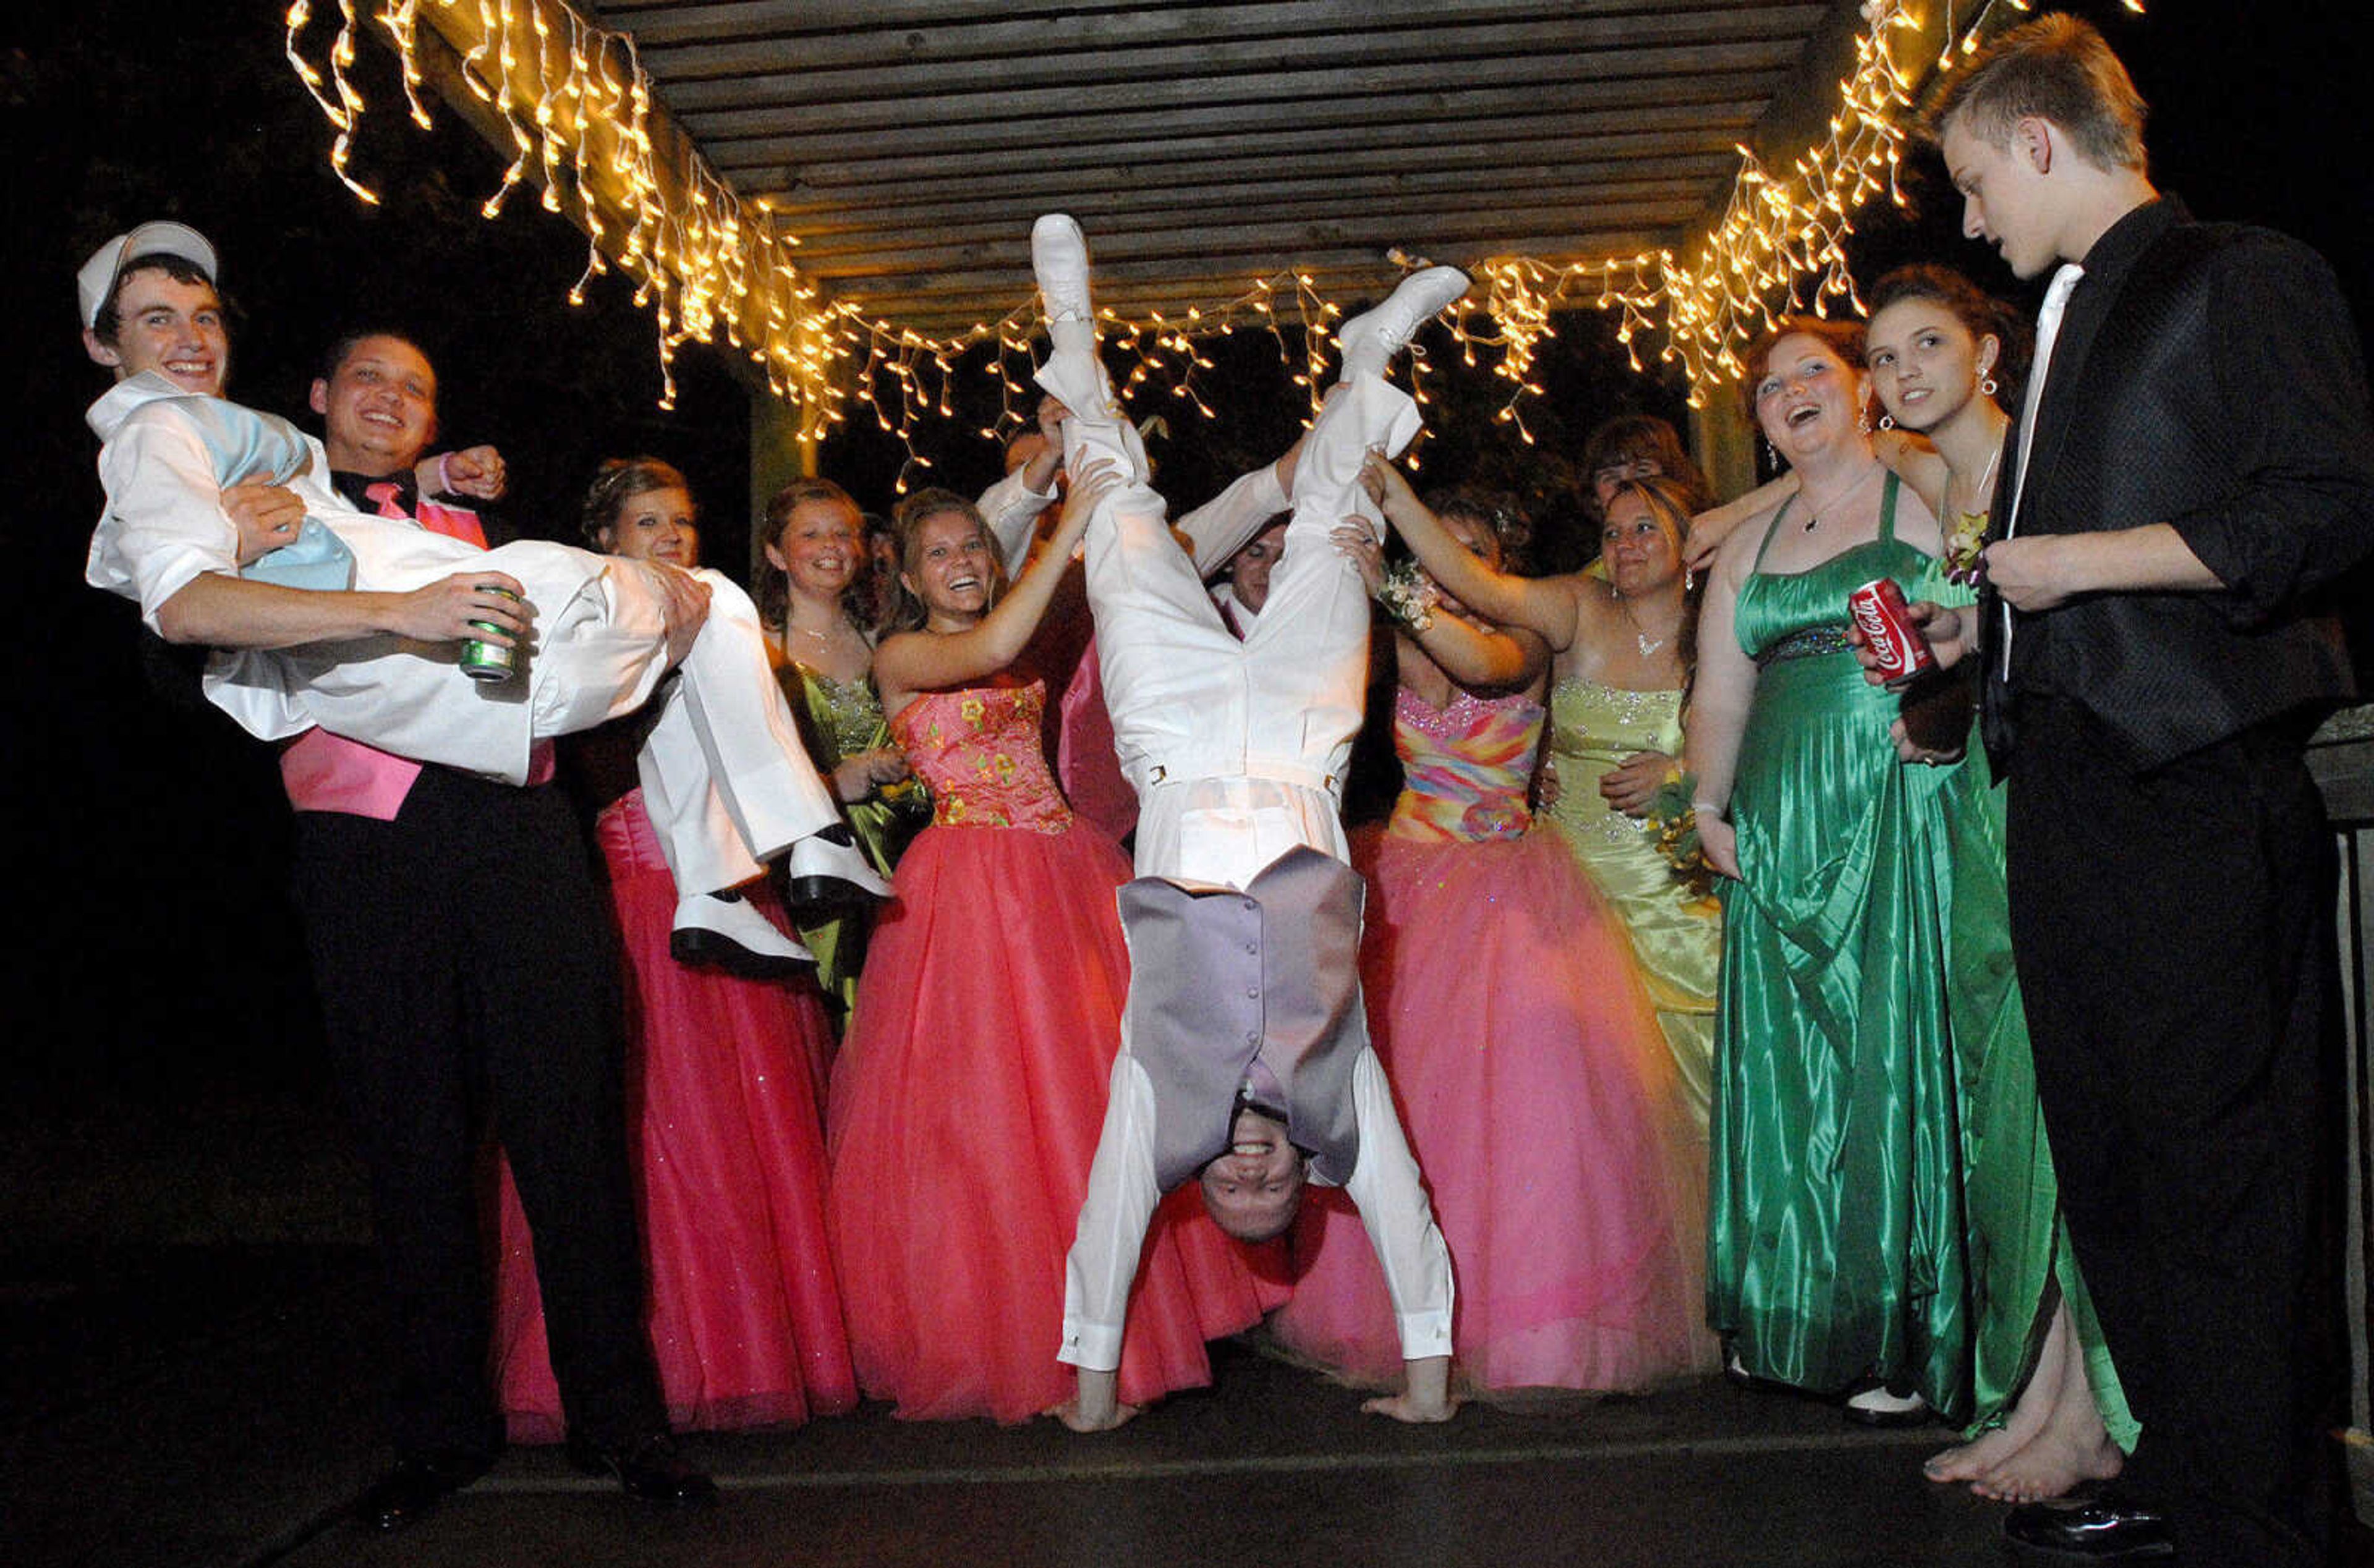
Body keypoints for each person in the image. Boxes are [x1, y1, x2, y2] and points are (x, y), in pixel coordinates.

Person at [76, 227, 712, 1523]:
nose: (389, 399)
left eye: (414, 389)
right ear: (309, 401)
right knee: (410, 1140)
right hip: (367, 856)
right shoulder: (220, 491)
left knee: (572, 1124)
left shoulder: (472, 521)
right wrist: (248, 546)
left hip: (524, 839)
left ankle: (621, 1420)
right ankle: (438, 1431)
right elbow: (167, 652)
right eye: (365, 377)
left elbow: (572, 666)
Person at [1900, 17, 2374, 1560]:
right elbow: (2070, 577)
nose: (1967, 222)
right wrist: (1974, 651)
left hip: (2188, 795)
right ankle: (2193, 1468)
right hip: (2067, 798)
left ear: (2039, 144)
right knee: (2112, 1172)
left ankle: (2263, 1518)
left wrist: (2069, 565)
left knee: (2221, 1183)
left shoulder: (2242, 271)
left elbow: (2315, 510)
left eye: (1974, 182)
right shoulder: (2055, 320)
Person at [80, 228, 885, 979]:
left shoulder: (223, 440)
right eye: (159, 320)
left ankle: (730, 880)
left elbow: (331, 507)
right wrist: (401, 612)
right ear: (102, 344)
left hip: (469, 699)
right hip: (444, 675)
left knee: (699, 628)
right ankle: (796, 845)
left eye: (205, 318)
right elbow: (183, 609)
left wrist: (433, 480)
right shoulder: (157, 435)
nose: (193, 339)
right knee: (710, 599)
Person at [1032, 213, 1461, 1431]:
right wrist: (1427, 1384)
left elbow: (1108, 1228)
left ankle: (1070, 328)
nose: (1256, 1167)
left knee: (1118, 512)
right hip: (1301, 747)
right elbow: (1408, 1217)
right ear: (1309, 1171)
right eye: (1277, 1184)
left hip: (1168, 738)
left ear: (1204, 1179)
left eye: (1237, 1187)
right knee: (1334, 527)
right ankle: (1373, 358)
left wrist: (1094, 1394)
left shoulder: (1157, 1101)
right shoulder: (1341, 1098)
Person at [825, 483, 1275, 1422]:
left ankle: (1117, 1320)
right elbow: (990, 648)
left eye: (973, 550)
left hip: (1064, 871)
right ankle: (1013, 1331)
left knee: (1093, 1102)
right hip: (972, 889)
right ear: (907, 577)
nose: (963, 565)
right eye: (942, 554)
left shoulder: (1013, 629)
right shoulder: (906, 653)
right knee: (989, 1119)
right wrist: (1067, 522)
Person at [1269, 491, 1712, 1398]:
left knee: (1522, 1120)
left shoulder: (1520, 643)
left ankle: (1522, 1323)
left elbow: (1476, 660)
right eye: (1441, 553)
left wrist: (1391, 581)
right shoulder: (1393, 638)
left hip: (1505, 896)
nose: (1452, 568)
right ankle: (1401, 1311)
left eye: (1471, 552)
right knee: (1404, 1109)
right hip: (1406, 890)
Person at [491, 459, 856, 1439]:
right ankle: (651, 1360)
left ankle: (767, 1344)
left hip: (738, 892)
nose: (671, 539)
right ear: (606, 542)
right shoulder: (593, 639)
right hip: (647, 906)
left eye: (683, 523)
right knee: (665, 1138)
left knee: (759, 1139)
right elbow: (584, 758)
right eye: (648, 522)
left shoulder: (724, 620)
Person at [1686, 316, 1980, 1428]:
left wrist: (1946, 689)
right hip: (1775, 812)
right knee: (1788, 1064)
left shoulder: (1925, 485)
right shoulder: (1754, 545)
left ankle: (1896, 1327)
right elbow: (1721, 689)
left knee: (1889, 1051)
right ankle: (1793, 1317)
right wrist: (1706, 804)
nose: (1789, 391)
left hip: (1894, 788)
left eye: (1813, 369)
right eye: (1767, 386)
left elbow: (1976, 617)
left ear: (1861, 387)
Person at [1370, 470, 1721, 1134]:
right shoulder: (1578, 604)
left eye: (1646, 527)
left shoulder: (1721, 624)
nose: (1626, 545)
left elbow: (1762, 738)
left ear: (1690, 535)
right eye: (1612, 532)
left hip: (1672, 902)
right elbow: (1483, 602)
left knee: (1689, 1103)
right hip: (1567, 896)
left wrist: (1686, 771)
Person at [761, 476, 927, 1018]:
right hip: (823, 869)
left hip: (909, 854)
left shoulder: (883, 637)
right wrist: (834, 786)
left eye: (844, 534)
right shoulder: (757, 649)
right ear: (776, 554)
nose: (833, 548)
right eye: (812, 535)